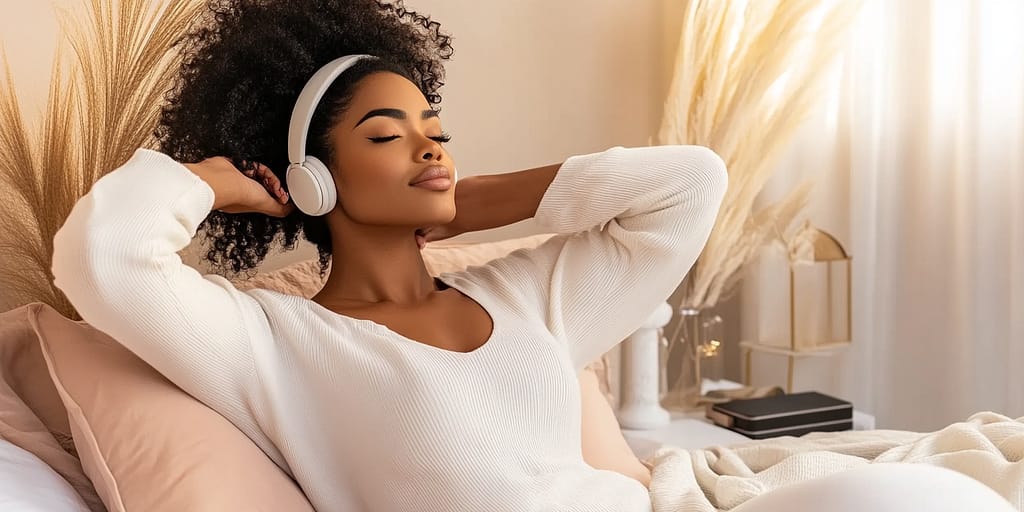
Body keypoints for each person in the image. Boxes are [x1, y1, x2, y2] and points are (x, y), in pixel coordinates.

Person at [52, 0, 725, 510]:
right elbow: (102, 256)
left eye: (435, 133)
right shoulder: (274, 346)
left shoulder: (530, 296)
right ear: (313, 177)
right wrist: (224, 179)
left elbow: (692, 184)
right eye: (385, 136)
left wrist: (480, 201)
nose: (430, 149)